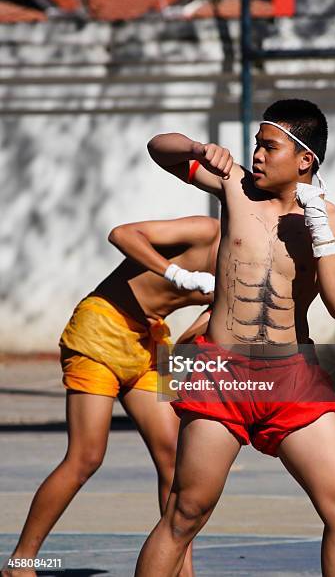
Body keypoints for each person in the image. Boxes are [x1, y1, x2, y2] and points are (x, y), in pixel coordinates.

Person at [135, 99, 335, 577]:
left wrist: (321, 231)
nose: (258, 156)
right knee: (185, 513)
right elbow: (158, 150)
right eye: (256, 146)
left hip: (292, 378)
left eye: (270, 146)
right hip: (220, 372)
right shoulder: (237, 187)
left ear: (305, 159)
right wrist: (199, 149)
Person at [3, 215, 220, 577]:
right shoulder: (208, 232)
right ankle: (21, 562)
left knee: (175, 459)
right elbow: (121, 234)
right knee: (86, 457)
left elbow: (194, 336)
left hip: (149, 341)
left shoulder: (249, 268)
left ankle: (183, 572)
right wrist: (176, 274)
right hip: (101, 328)